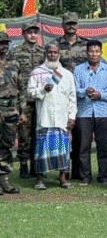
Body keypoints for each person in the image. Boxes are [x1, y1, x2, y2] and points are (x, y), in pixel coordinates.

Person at [28, 43, 76, 190]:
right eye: (50, 52)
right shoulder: (37, 72)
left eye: (55, 52)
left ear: (59, 54)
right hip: (45, 118)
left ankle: (62, 178)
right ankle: (40, 180)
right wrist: (43, 90)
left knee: (63, 150)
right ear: (46, 54)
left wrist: (72, 116)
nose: (52, 55)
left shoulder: (67, 74)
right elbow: (30, 93)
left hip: (62, 119)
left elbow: (72, 97)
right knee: (42, 150)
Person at [73, 40, 107, 186]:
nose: (94, 54)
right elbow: (74, 90)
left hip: (103, 113)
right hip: (84, 113)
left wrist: (100, 95)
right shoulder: (78, 70)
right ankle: (85, 176)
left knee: (103, 146)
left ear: (101, 53)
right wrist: (85, 91)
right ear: (87, 53)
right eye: (91, 51)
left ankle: (103, 176)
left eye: (97, 51)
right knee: (84, 146)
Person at [13, 23, 45, 179]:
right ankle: (23, 166)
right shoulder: (16, 52)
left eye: (35, 32)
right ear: (23, 33)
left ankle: (36, 167)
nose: (33, 35)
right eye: (29, 32)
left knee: (38, 134)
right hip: (24, 100)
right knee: (24, 136)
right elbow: (13, 77)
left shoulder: (43, 52)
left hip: (40, 99)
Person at [0, 30, 23, 194]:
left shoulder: (15, 63)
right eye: (1, 43)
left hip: (12, 109)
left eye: (5, 43)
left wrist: (22, 111)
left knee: (7, 146)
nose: (3, 46)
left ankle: (4, 181)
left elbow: (21, 88)